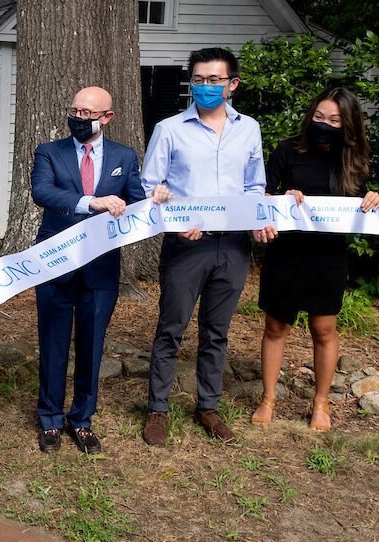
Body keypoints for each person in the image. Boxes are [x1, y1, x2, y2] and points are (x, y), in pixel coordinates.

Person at [142, 47, 266, 446]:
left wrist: (258, 217)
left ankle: (208, 407)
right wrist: (172, 219)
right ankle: (157, 410)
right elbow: (150, 186)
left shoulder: (249, 129)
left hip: (232, 247)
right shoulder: (170, 128)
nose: (205, 87)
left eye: (214, 80)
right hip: (186, 247)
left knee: (217, 331)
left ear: (232, 84)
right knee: (171, 329)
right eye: (198, 79)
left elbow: (255, 185)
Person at [249, 88, 379, 430]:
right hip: (286, 251)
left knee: (324, 329)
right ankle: (268, 398)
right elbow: (261, 194)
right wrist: (281, 198)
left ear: (348, 124)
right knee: (276, 325)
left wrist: (374, 198)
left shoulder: (354, 159)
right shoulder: (287, 149)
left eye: (334, 120)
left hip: (328, 255)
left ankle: (321, 403)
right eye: (319, 117)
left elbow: (361, 207)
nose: (324, 124)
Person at [30, 87, 145, 454]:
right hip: (55, 263)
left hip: (101, 268)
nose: (78, 118)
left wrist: (157, 199)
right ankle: (50, 419)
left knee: (92, 345)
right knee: (53, 342)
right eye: (74, 111)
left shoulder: (125, 157)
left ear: (106, 117)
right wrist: (89, 202)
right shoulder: (50, 151)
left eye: (87, 113)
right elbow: (42, 192)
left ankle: (81, 420)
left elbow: (138, 200)